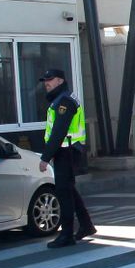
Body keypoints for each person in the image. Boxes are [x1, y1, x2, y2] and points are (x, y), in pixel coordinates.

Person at [38, 68, 96, 248]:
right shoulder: (61, 99)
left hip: (67, 150)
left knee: (63, 192)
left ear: (60, 81)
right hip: (66, 149)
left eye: (50, 79)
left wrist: (45, 157)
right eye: (45, 80)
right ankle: (86, 225)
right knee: (68, 189)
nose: (46, 83)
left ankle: (67, 234)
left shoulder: (64, 102)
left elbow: (59, 131)